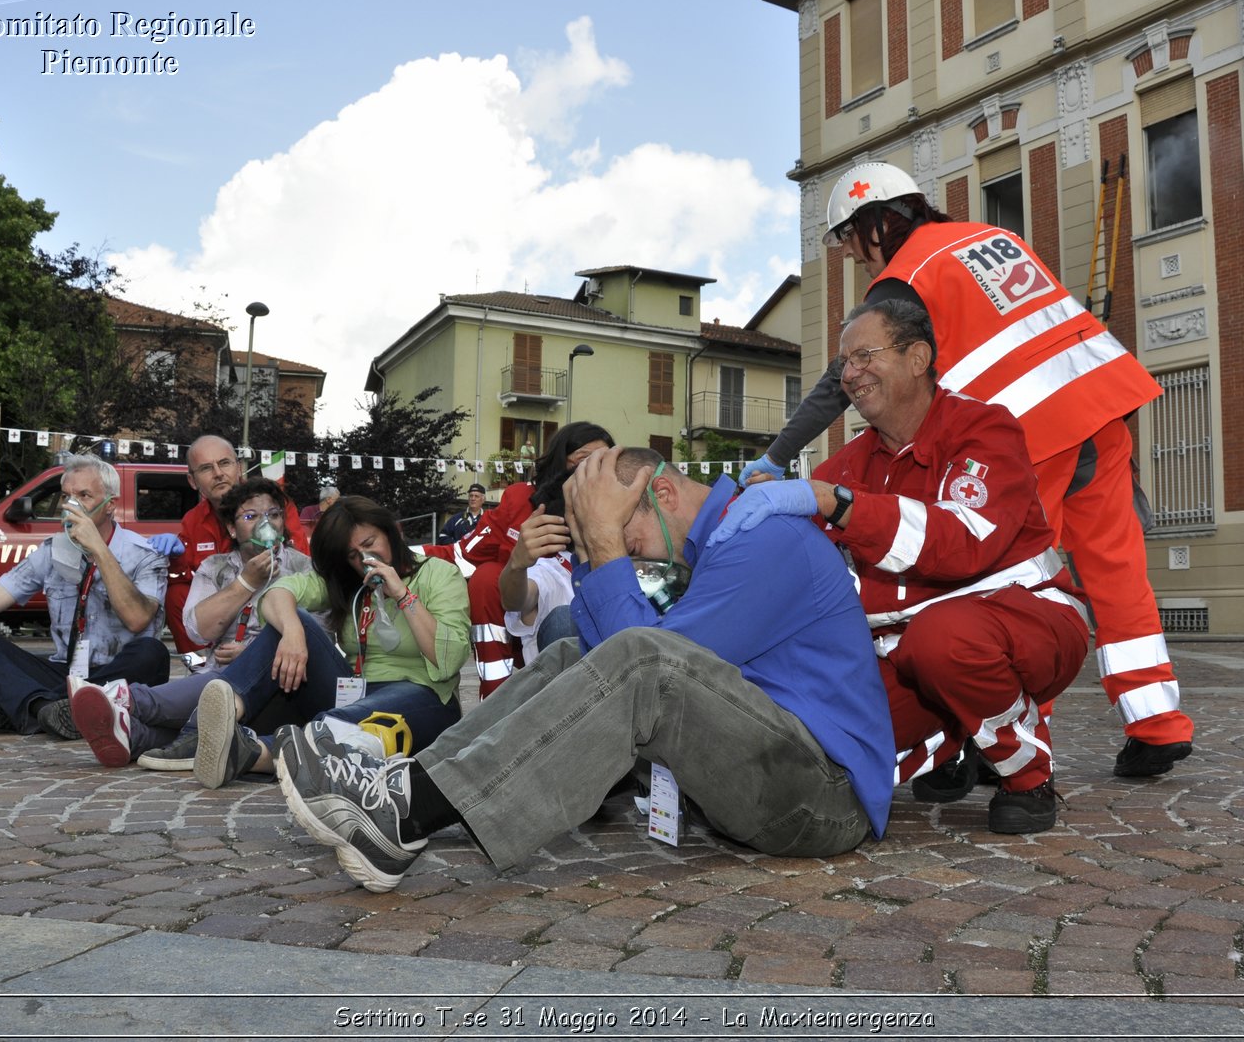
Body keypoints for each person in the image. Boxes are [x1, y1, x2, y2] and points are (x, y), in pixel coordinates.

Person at [739, 162, 1194, 779]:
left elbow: (840, 381)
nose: (851, 255)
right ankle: (1157, 725)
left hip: (1030, 431)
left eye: (850, 238)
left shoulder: (905, 279)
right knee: (1116, 570)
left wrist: (776, 452)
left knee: (1013, 582)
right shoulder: (986, 239)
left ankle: (1008, 742)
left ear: (876, 222)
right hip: (1097, 409)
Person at [272, 445, 896, 893]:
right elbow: (607, 657)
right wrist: (593, 555)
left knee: (641, 660)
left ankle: (404, 813)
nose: (630, 551)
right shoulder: (724, 541)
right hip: (778, 771)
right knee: (571, 655)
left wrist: (602, 546)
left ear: (666, 493)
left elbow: (650, 666)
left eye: (627, 532)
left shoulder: (766, 539)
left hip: (824, 798)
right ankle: (417, 791)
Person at [718, 300, 1091, 832]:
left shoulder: (984, 429)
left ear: (918, 358)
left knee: (944, 642)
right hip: (907, 653)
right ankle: (955, 735)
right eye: (844, 363)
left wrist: (837, 504)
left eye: (865, 355)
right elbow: (795, 566)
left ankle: (1028, 776)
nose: (850, 374)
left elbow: (961, 542)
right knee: (829, 737)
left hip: (1032, 621)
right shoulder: (845, 465)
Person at [69, 496, 468, 785]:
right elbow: (278, 596)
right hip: (357, 687)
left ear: (392, 533)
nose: (362, 559)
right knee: (287, 623)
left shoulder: (438, 575)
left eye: (369, 545)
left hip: (424, 694)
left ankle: (232, 748)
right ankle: (208, 726)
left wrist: (402, 593)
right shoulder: (350, 583)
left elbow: (448, 661)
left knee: (339, 726)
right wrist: (294, 631)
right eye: (351, 555)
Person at [0, 454, 169, 737]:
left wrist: (100, 551)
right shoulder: (51, 551)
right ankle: (50, 709)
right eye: (67, 496)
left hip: (118, 675)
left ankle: (29, 707)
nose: (73, 506)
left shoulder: (143, 554)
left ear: (111, 506)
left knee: (152, 653)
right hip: (66, 674)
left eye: (85, 495)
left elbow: (138, 619)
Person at [74, 479, 315, 771]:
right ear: (231, 528)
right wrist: (245, 582)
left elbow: (318, 636)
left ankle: (127, 700)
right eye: (251, 516)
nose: (265, 524)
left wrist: (253, 654)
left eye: (273, 514)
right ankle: (133, 736)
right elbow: (198, 630)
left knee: (215, 692)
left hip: (278, 688)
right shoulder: (215, 567)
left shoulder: (303, 568)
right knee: (214, 698)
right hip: (217, 682)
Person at [423, 422, 613, 698]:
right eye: (585, 460)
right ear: (562, 462)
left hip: (602, 632)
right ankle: (496, 696)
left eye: (605, 462)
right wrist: (404, 555)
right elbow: (463, 554)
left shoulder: (624, 514)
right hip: (530, 616)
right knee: (487, 579)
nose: (594, 472)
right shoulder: (521, 500)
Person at [162, 435, 310, 655]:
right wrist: (169, 559)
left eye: (224, 463)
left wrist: (252, 650)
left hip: (270, 619)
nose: (218, 473)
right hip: (219, 621)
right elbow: (187, 578)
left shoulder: (276, 505)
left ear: (238, 467)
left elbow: (297, 566)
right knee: (175, 594)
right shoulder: (193, 521)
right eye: (206, 468)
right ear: (193, 481)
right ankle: (198, 665)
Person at [498, 506, 575, 665]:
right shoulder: (548, 570)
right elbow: (515, 601)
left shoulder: (625, 568)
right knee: (565, 618)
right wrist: (516, 566)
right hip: (556, 687)